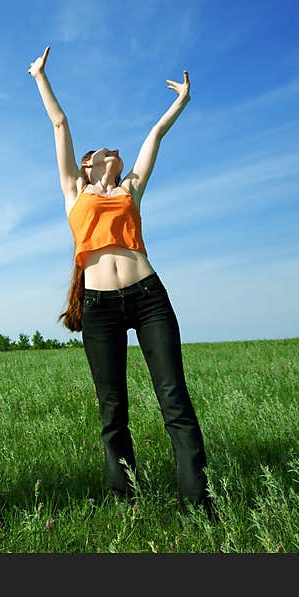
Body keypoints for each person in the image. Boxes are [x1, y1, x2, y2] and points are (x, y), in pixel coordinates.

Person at [28, 46, 211, 512]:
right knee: (113, 410)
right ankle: (124, 499)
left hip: (148, 297)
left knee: (174, 400)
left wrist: (182, 101)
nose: (111, 149)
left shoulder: (131, 188)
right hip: (99, 308)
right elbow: (60, 125)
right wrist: (39, 77)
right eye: (100, 150)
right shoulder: (74, 192)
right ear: (86, 165)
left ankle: (198, 501)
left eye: (114, 150)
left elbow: (155, 135)